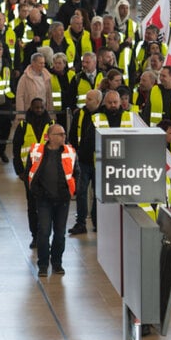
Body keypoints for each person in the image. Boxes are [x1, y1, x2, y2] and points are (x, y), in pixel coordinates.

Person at [25, 124, 80, 277]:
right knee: (44, 231)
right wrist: (36, 193)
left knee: (60, 233)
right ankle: (43, 264)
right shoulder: (37, 152)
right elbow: (29, 173)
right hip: (44, 200)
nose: (63, 137)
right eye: (60, 134)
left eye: (64, 134)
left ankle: (57, 263)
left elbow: (77, 173)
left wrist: (73, 191)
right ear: (50, 137)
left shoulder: (70, 152)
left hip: (63, 200)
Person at [14, 98, 54, 250]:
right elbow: (16, 150)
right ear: (31, 107)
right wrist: (19, 171)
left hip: (47, 174)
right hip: (29, 173)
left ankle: (45, 236)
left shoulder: (51, 126)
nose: (38, 110)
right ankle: (35, 236)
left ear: (45, 107)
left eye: (41, 107)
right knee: (32, 206)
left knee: (47, 206)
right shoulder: (23, 126)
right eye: (36, 107)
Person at [69, 89, 101, 234]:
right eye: (86, 98)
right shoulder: (79, 114)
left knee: (97, 193)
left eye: (90, 99)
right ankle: (80, 223)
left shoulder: (102, 116)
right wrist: (76, 152)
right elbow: (73, 135)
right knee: (81, 192)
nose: (86, 101)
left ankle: (97, 222)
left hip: (98, 161)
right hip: (82, 160)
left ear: (98, 102)